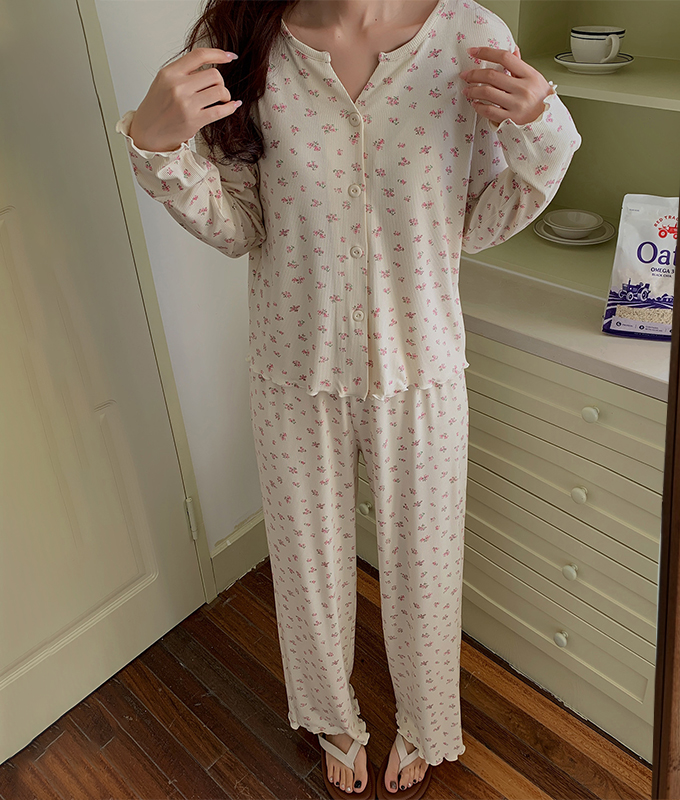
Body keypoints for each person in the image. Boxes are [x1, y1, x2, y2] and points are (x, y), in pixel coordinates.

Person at [115, 0, 581, 797]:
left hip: (422, 365)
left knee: (426, 568)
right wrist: (159, 151)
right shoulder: (242, 42)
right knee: (307, 564)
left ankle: (427, 721)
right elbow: (242, 226)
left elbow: (475, 221)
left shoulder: (469, 39)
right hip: (294, 365)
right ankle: (332, 715)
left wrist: (542, 127)